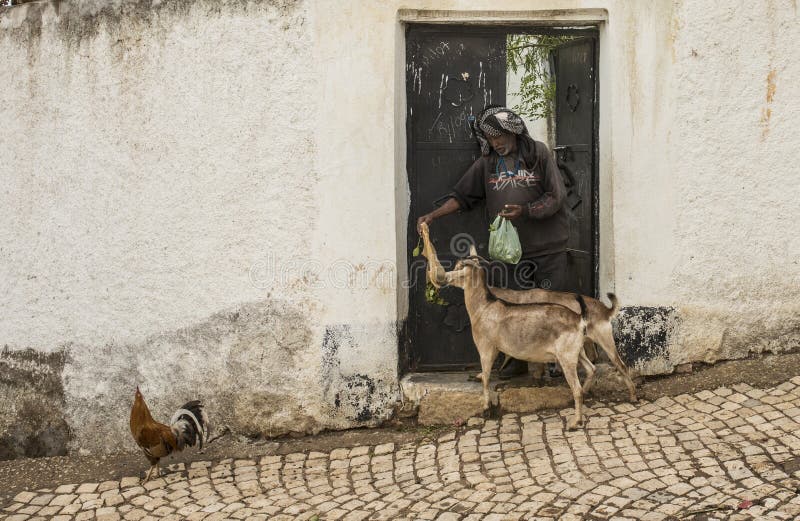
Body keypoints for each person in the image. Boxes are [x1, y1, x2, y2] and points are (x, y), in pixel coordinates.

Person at [416, 105, 569, 379]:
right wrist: (432, 216)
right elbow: (462, 196)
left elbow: (556, 197)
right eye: (491, 139)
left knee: (552, 305)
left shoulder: (538, 155)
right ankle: (516, 359)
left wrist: (526, 210)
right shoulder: (487, 164)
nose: (496, 143)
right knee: (512, 308)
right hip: (510, 254)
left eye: (500, 137)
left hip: (548, 246)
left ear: (514, 132)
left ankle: (559, 357)